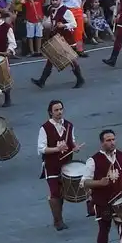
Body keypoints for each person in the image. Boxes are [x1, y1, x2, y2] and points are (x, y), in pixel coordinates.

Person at [38, 98, 79, 231]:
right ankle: (58, 221)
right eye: (56, 110)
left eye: (61, 109)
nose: (59, 112)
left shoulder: (69, 125)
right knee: (55, 193)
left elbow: (72, 142)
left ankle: (58, 217)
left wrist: (75, 147)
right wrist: (57, 149)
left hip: (66, 165)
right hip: (51, 165)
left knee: (62, 193)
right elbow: (41, 149)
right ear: (50, 112)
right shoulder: (45, 128)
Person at [31, 0, 85, 89]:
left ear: (60, 0)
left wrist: (64, 25)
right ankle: (42, 80)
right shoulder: (52, 10)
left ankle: (80, 78)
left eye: (56, 0)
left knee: (71, 60)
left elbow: (74, 24)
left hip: (66, 39)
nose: (54, 2)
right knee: (50, 58)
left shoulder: (66, 11)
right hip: (57, 38)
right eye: (53, 0)